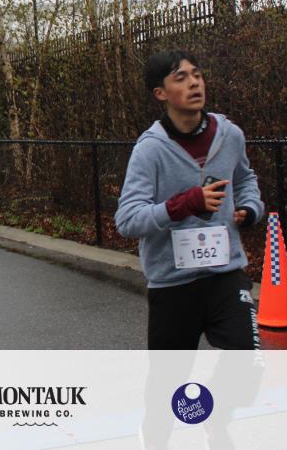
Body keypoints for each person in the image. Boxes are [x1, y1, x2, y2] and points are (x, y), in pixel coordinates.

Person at [116, 50, 264, 350]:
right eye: (181, 78)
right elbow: (128, 220)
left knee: (248, 363)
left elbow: (245, 179)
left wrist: (250, 209)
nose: (194, 83)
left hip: (226, 276)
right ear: (160, 93)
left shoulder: (230, 135)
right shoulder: (150, 150)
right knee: (170, 376)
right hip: (173, 283)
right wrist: (184, 204)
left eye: (197, 75)